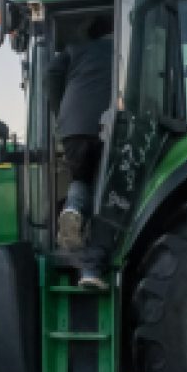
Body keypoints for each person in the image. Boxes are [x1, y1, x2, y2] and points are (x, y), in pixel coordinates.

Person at [47, 17, 112, 285]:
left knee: (80, 179)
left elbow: (51, 73)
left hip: (72, 128)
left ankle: (71, 210)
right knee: (103, 195)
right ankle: (91, 270)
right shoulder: (123, 51)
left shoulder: (75, 49)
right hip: (106, 127)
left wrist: (60, 110)